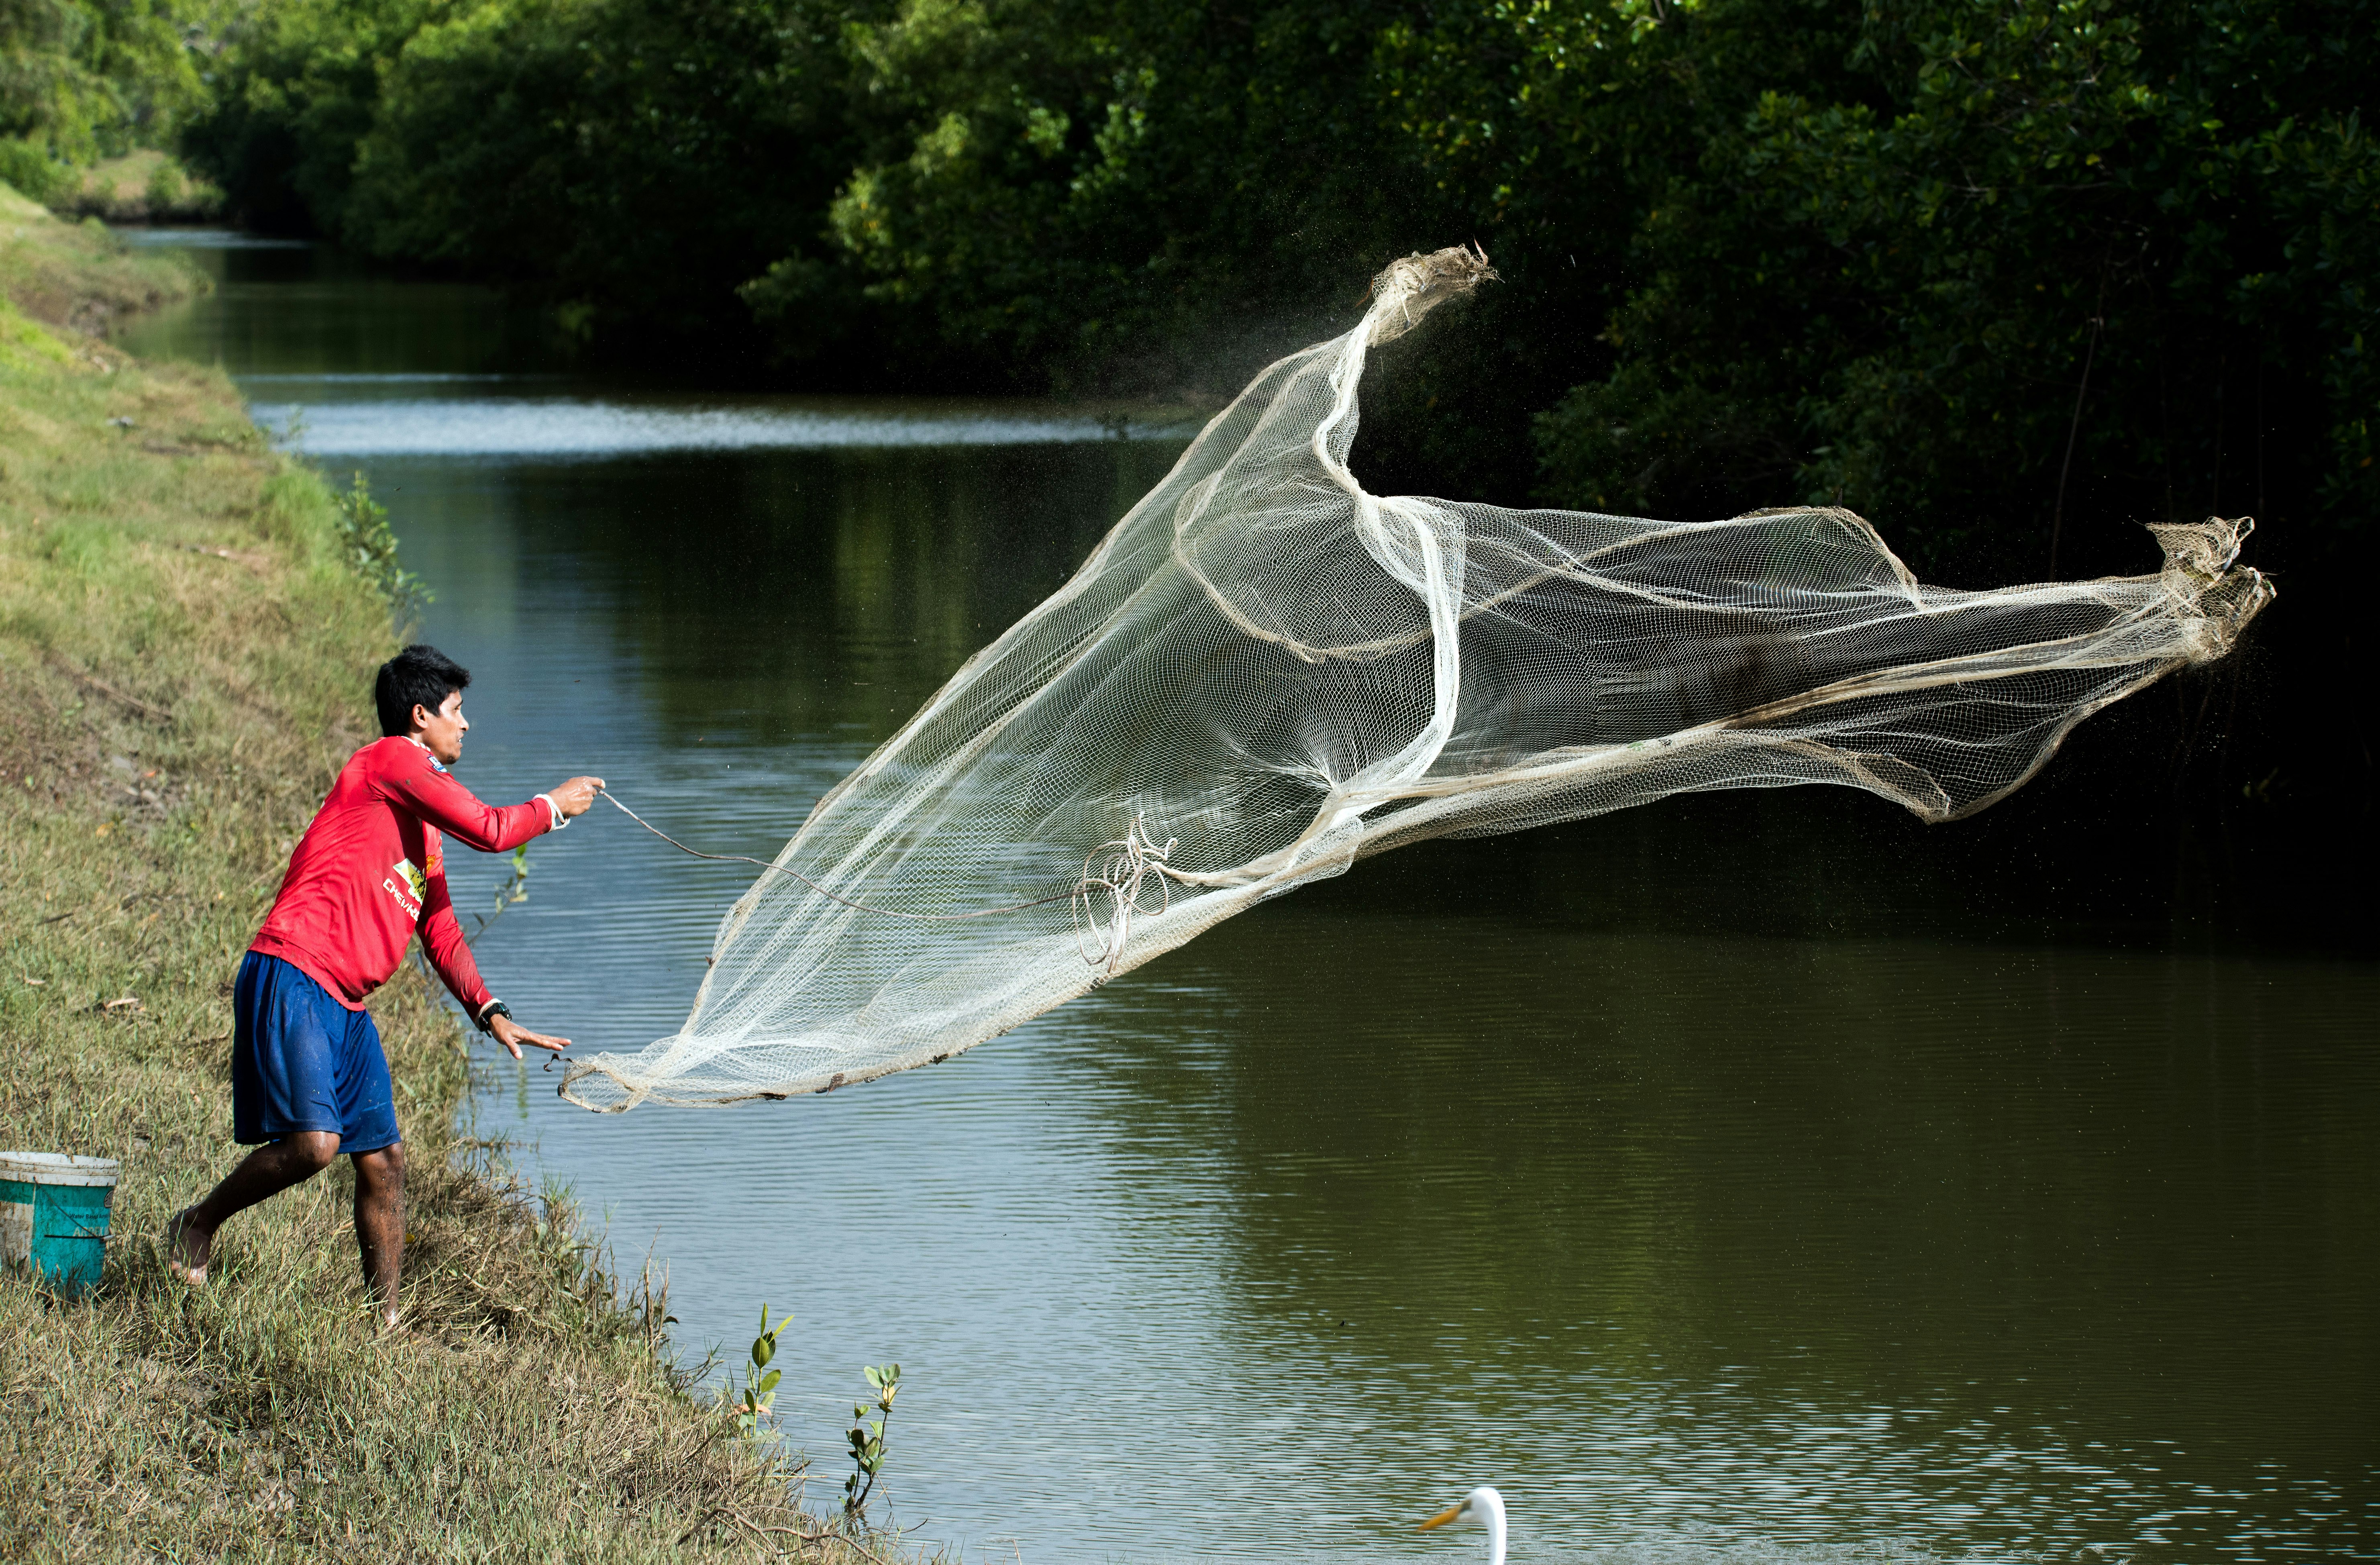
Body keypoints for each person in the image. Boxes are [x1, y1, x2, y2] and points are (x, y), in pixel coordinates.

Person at [165, 644, 602, 1328]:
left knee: (385, 1160)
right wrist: (556, 805)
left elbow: (441, 927)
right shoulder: (393, 760)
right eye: (457, 712)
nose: (468, 725)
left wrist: (490, 1010)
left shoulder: (418, 817)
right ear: (420, 715)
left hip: (345, 1002)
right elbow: (492, 830)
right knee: (316, 1145)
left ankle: (385, 1325)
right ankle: (197, 1221)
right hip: (296, 971)